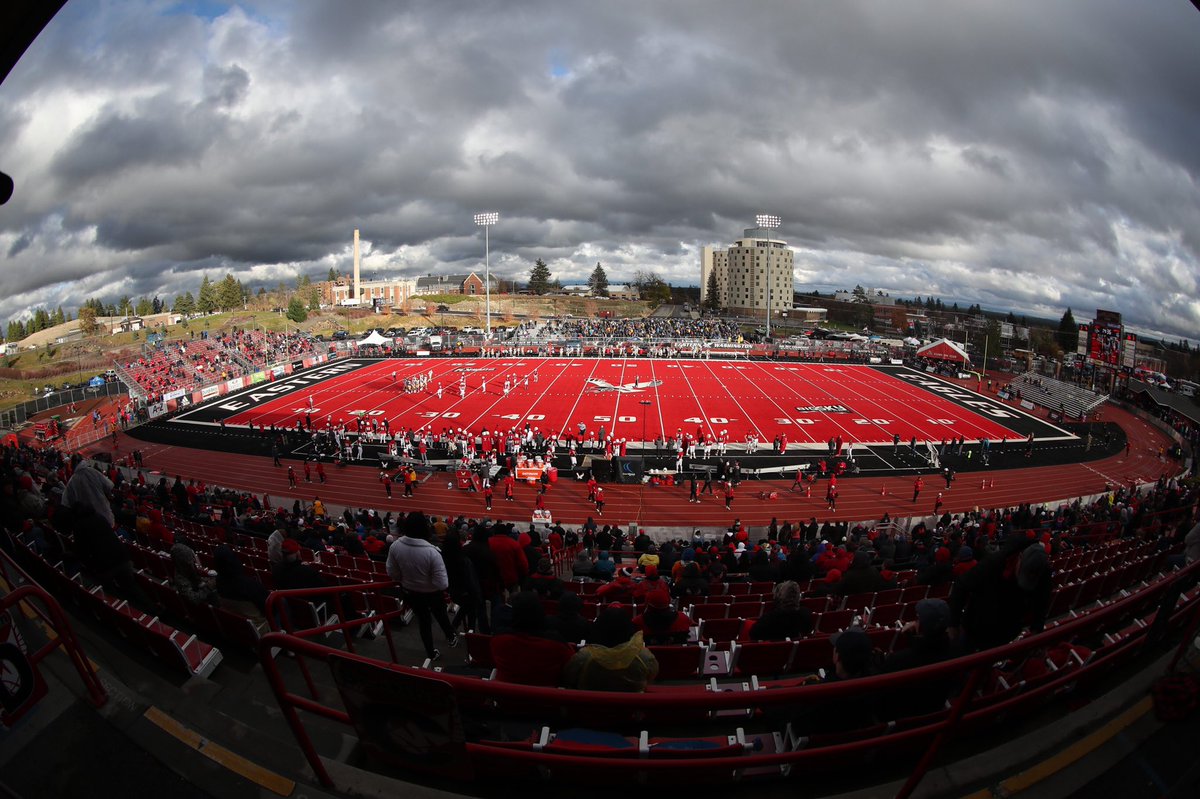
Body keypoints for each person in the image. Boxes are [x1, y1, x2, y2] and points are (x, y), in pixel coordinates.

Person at [386, 512, 460, 660]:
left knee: (423, 621)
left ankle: (430, 652)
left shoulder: (395, 546)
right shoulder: (432, 552)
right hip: (432, 594)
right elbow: (442, 583)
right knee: (441, 615)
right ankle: (450, 636)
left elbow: (392, 573)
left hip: (410, 592)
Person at [562, 606, 659, 691]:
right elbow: (651, 677)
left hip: (589, 708)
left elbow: (570, 677)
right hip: (632, 708)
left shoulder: (583, 657)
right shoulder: (644, 657)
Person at [490, 591, 574, 686]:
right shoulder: (557, 645)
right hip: (546, 698)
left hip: (505, 698)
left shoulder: (498, 640)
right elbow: (571, 667)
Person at [749, 581, 814, 642]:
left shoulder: (770, 618)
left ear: (778, 598)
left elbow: (753, 635)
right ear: (798, 597)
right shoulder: (806, 614)